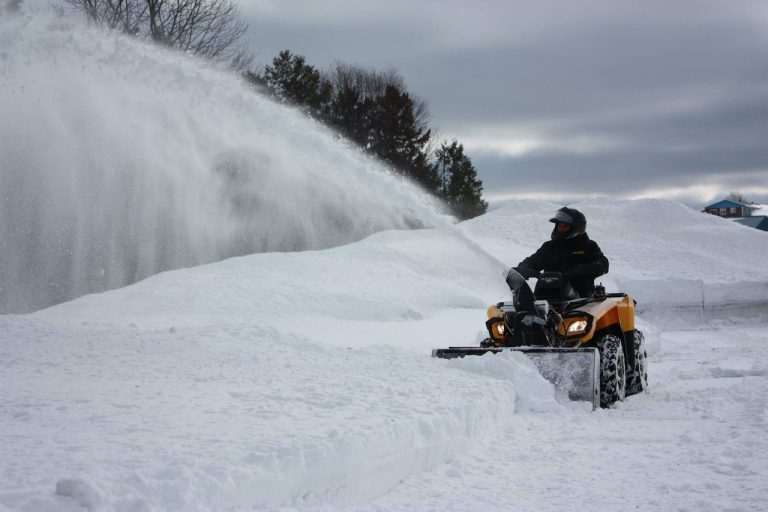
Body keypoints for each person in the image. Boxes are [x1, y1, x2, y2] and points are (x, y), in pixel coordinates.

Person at [510, 207, 609, 297]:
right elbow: (534, 260)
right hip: (548, 295)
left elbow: (603, 264)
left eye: (564, 226)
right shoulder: (549, 247)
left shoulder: (588, 246)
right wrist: (523, 269)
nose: (560, 229)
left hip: (581, 299)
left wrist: (577, 271)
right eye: (559, 226)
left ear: (576, 228)